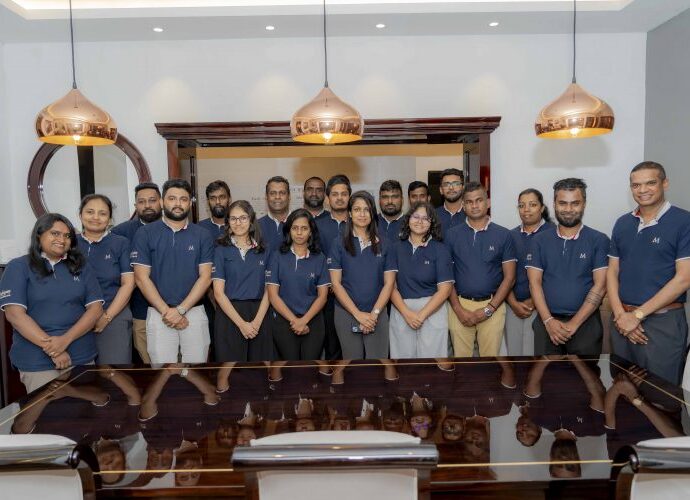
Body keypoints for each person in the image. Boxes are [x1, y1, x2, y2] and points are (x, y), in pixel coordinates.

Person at [0, 213, 103, 392]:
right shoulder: (18, 266)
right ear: (39, 235)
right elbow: (15, 315)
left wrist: (64, 340)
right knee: (48, 410)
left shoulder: (81, 266)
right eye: (55, 233)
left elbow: (96, 309)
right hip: (37, 361)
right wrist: (54, 349)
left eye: (67, 235)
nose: (62, 240)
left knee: (83, 410)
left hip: (82, 357)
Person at [608, 161, 690, 384]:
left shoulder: (684, 222)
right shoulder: (622, 223)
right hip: (621, 322)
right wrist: (621, 316)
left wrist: (636, 316)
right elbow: (612, 271)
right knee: (622, 386)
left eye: (650, 183)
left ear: (665, 183)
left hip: (661, 323)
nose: (642, 190)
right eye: (636, 185)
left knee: (659, 392)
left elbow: (684, 278)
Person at [131, 179, 214, 363]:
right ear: (162, 202)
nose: (177, 204)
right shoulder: (145, 233)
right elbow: (141, 278)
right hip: (159, 312)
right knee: (162, 371)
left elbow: (206, 277)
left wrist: (181, 310)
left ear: (190, 203)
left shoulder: (202, 235)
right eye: (172, 198)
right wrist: (167, 312)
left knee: (196, 370)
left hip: (194, 312)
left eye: (183, 199)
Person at [527, 178, 609, 356]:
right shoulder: (539, 240)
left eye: (575, 203)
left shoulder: (599, 240)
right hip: (546, 323)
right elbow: (534, 283)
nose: (569, 209)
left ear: (584, 204)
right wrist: (548, 321)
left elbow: (601, 285)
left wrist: (574, 324)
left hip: (586, 325)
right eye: (563, 203)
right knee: (545, 373)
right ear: (554, 204)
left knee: (585, 374)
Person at [445, 182, 516, 357]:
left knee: (490, 363)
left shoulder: (504, 234)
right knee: (461, 363)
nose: (474, 205)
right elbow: (447, 276)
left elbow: (510, 278)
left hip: (493, 305)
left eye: (479, 200)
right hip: (459, 305)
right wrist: (458, 309)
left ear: (488, 202)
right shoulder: (452, 235)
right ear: (463, 205)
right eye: (469, 202)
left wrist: (489, 309)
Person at [328, 191, 396, 359]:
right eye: (357, 209)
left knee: (378, 365)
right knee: (352, 366)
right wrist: (357, 314)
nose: (362, 214)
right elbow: (336, 284)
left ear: (372, 213)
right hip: (346, 313)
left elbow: (389, 284)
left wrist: (374, 314)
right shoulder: (338, 243)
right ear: (350, 213)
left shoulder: (385, 243)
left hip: (377, 313)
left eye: (366, 209)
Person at [389, 202, 454, 358]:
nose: (420, 221)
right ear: (408, 219)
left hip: (432, 310)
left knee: (432, 364)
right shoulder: (395, 248)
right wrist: (407, 314)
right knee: (403, 364)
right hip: (402, 309)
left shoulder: (440, 249)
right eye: (416, 217)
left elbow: (445, 290)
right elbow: (390, 286)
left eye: (425, 218)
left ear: (432, 223)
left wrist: (422, 315)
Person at [77, 194, 135, 364]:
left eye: (102, 213)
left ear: (110, 219)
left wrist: (107, 317)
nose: (95, 217)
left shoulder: (121, 243)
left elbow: (128, 283)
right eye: (90, 212)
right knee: (79, 374)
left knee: (114, 373)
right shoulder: (69, 243)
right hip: (75, 319)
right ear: (80, 215)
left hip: (113, 315)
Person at [266, 209, 330, 360]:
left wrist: (304, 321)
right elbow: (273, 295)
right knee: (289, 369)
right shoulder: (277, 256)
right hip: (284, 321)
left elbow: (322, 296)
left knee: (310, 368)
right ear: (289, 230)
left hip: (313, 321)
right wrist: (295, 321)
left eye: (304, 228)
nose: (299, 233)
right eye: (295, 228)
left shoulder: (319, 258)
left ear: (311, 232)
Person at [212, 200, 272, 362]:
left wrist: (256, 323)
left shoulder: (264, 250)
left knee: (260, 370)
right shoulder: (220, 250)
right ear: (228, 222)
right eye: (233, 218)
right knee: (230, 371)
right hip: (230, 315)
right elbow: (218, 293)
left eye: (243, 218)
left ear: (251, 220)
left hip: (259, 314)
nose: (238, 223)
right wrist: (242, 324)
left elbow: (269, 290)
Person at [112, 181, 163, 364]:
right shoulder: (120, 233)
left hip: (176, 308)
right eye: (142, 202)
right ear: (136, 205)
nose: (147, 205)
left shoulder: (175, 228)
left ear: (161, 202)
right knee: (150, 364)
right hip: (140, 311)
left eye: (152, 200)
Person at [505, 189, 554, 356]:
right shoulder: (510, 236)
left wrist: (533, 301)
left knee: (534, 357)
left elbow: (555, 274)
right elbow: (503, 274)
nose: (526, 209)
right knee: (514, 356)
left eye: (532, 205)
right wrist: (512, 302)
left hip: (543, 308)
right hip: (513, 307)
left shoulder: (553, 233)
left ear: (542, 208)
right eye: (522, 205)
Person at [315, 174, 352, 361]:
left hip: (355, 293)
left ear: (349, 196)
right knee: (332, 346)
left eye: (344, 194)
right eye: (335, 194)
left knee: (354, 349)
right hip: (328, 296)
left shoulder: (360, 223)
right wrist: (328, 283)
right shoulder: (317, 225)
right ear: (327, 198)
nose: (339, 198)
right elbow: (315, 257)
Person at [258, 176, 290, 250]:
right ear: (266, 197)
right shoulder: (256, 226)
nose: (277, 197)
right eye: (272, 193)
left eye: (282, 193)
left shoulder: (300, 225)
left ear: (289, 196)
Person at [435, 168, 466, 239]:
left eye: (456, 184)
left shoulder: (471, 214)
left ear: (463, 188)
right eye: (446, 184)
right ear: (441, 190)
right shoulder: (432, 216)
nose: (451, 188)